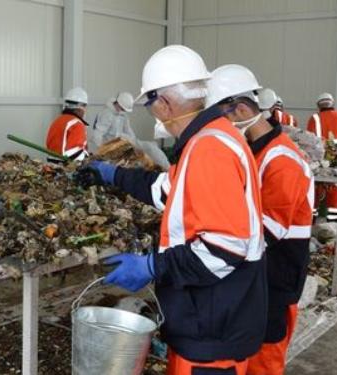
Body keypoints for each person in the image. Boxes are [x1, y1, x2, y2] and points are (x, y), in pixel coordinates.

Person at [84, 46, 267, 375]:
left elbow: (225, 248)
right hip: (212, 316)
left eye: (151, 104)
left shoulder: (209, 150)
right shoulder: (211, 139)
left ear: (163, 103)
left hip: (212, 325)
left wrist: (152, 266)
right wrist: (112, 175)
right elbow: (165, 191)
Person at [207, 65, 314, 375]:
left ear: (241, 109)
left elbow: (268, 231)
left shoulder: (282, 160)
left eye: (222, 117)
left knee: (264, 360)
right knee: (247, 354)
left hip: (276, 276)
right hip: (256, 273)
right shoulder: (254, 152)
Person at [307, 92, 337, 221]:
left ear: (319, 105)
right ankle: (333, 224)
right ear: (332, 103)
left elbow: (309, 139)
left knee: (316, 186)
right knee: (335, 187)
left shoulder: (314, 118)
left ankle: (312, 220)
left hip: (320, 158)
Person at [45, 87, 90, 161]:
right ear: (80, 108)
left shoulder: (58, 120)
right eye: (84, 107)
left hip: (51, 162)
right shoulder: (77, 124)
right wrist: (87, 157)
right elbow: (75, 153)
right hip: (65, 166)